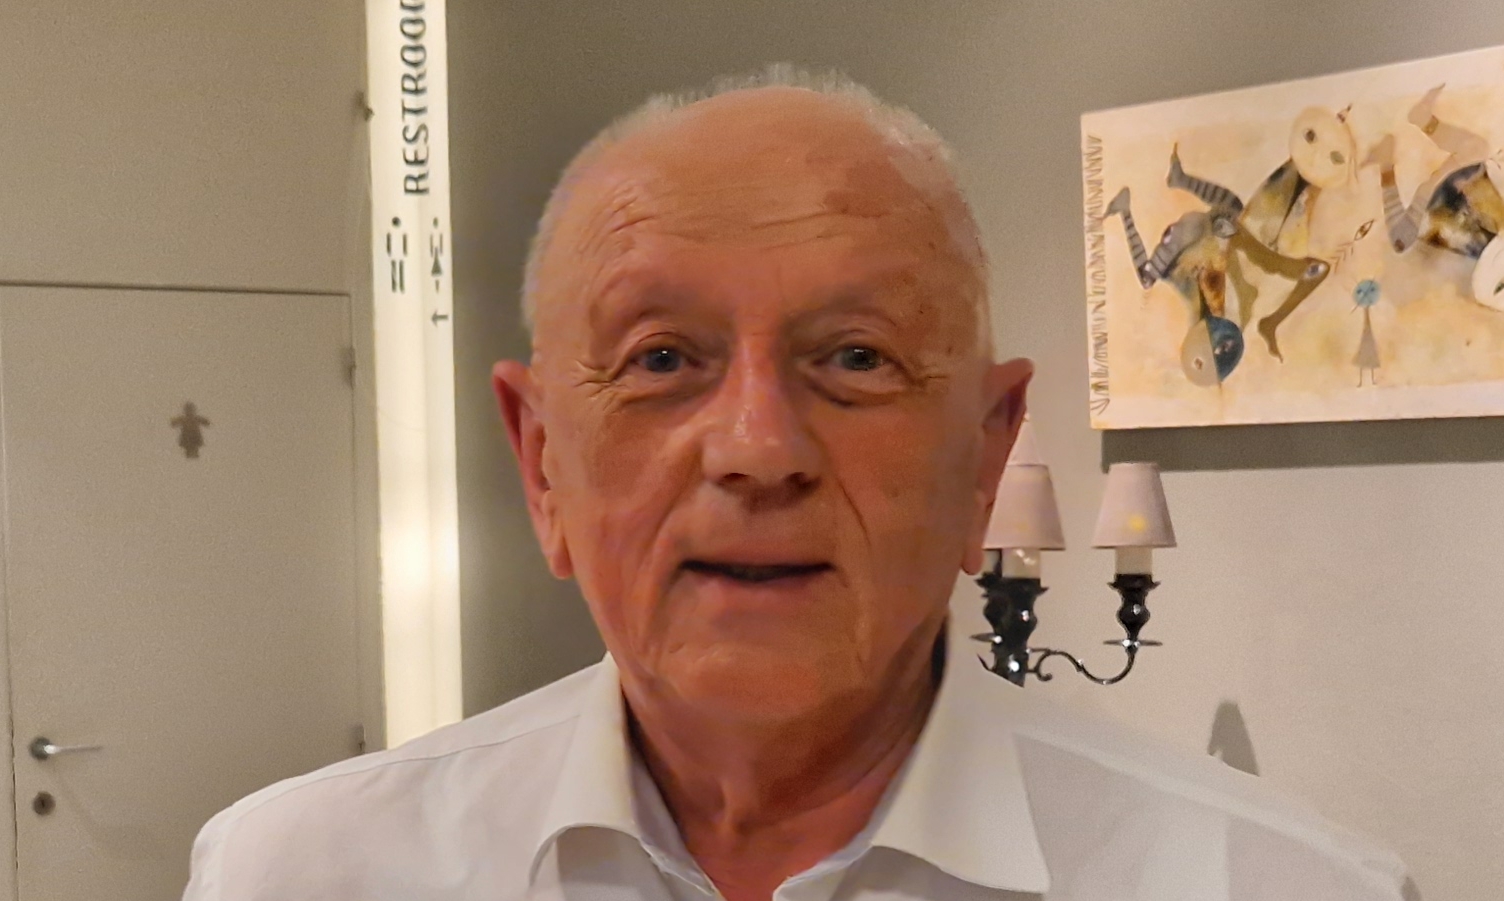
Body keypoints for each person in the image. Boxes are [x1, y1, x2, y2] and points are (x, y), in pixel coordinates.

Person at [182, 66, 1408, 901]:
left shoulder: (1274, 884)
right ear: (541, 460)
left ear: (984, 455)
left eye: (855, 359)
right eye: (661, 360)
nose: (758, 448)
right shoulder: (299, 872)